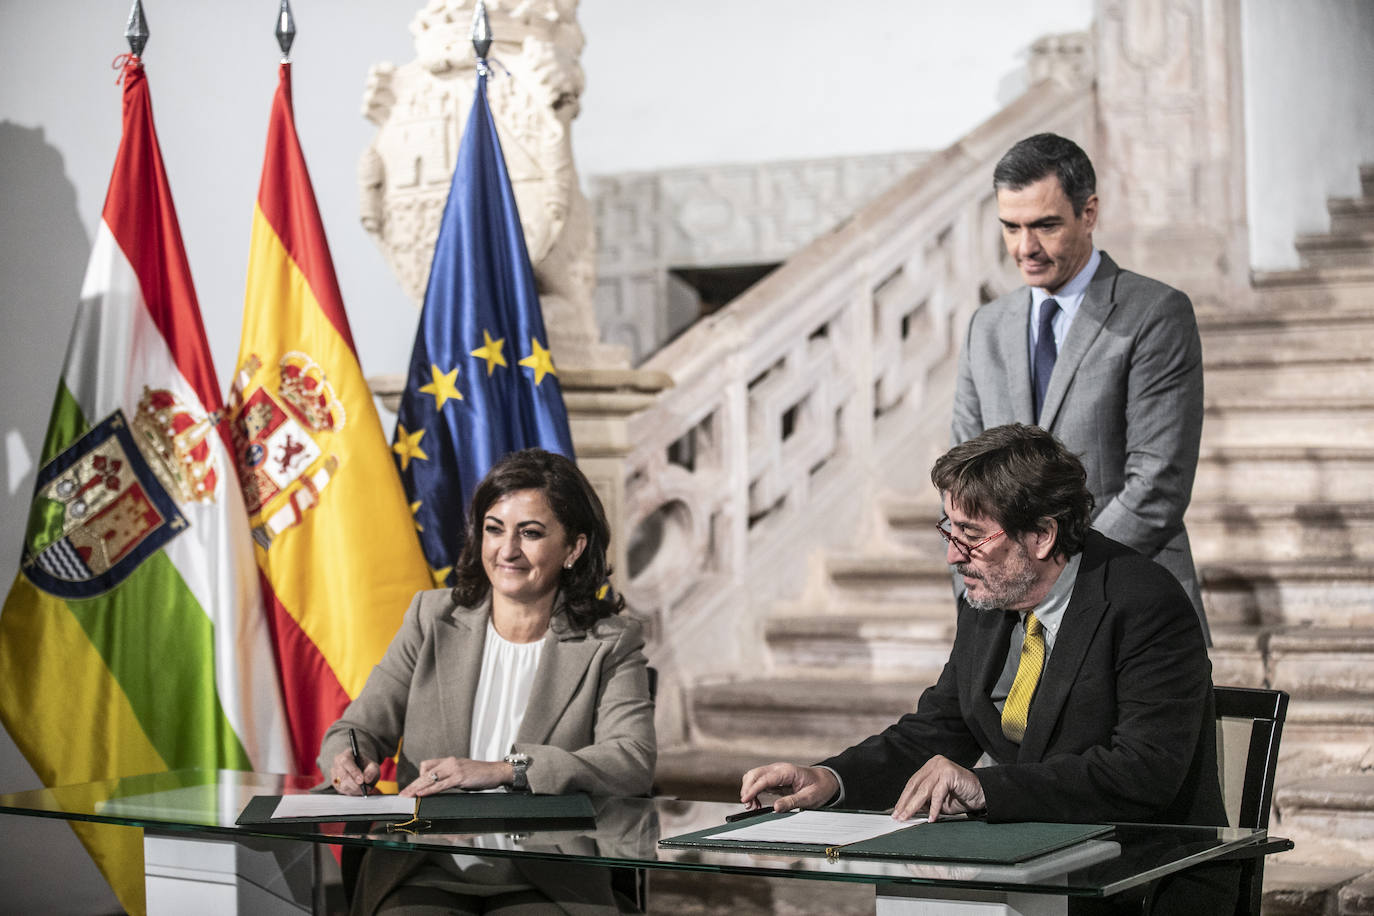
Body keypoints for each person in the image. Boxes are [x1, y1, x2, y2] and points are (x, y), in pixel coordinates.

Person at [741, 424, 1231, 914]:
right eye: (949, 531)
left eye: (971, 536)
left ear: (1041, 535)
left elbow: (1142, 773)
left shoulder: (1144, 602)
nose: (954, 554)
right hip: (1022, 868)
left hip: (1138, 878)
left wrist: (984, 788)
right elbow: (935, 731)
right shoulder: (991, 598)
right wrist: (830, 778)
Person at [320, 448, 655, 915]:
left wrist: (506, 770)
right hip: (424, 865)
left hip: (550, 877)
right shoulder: (431, 618)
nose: (507, 550)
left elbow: (631, 760)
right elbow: (357, 730)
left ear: (574, 548)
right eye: (494, 529)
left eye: (531, 533)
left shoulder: (610, 643)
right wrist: (349, 760)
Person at [951, 133, 1209, 643]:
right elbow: (961, 484)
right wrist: (986, 580)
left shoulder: (1155, 313)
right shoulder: (987, 326)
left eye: (1045, 225)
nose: (1025, 247)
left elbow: (1157, 483)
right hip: (1007, 618)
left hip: (1131, 608)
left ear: (1088, 213)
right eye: (1011, 227)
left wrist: (1051, 584)